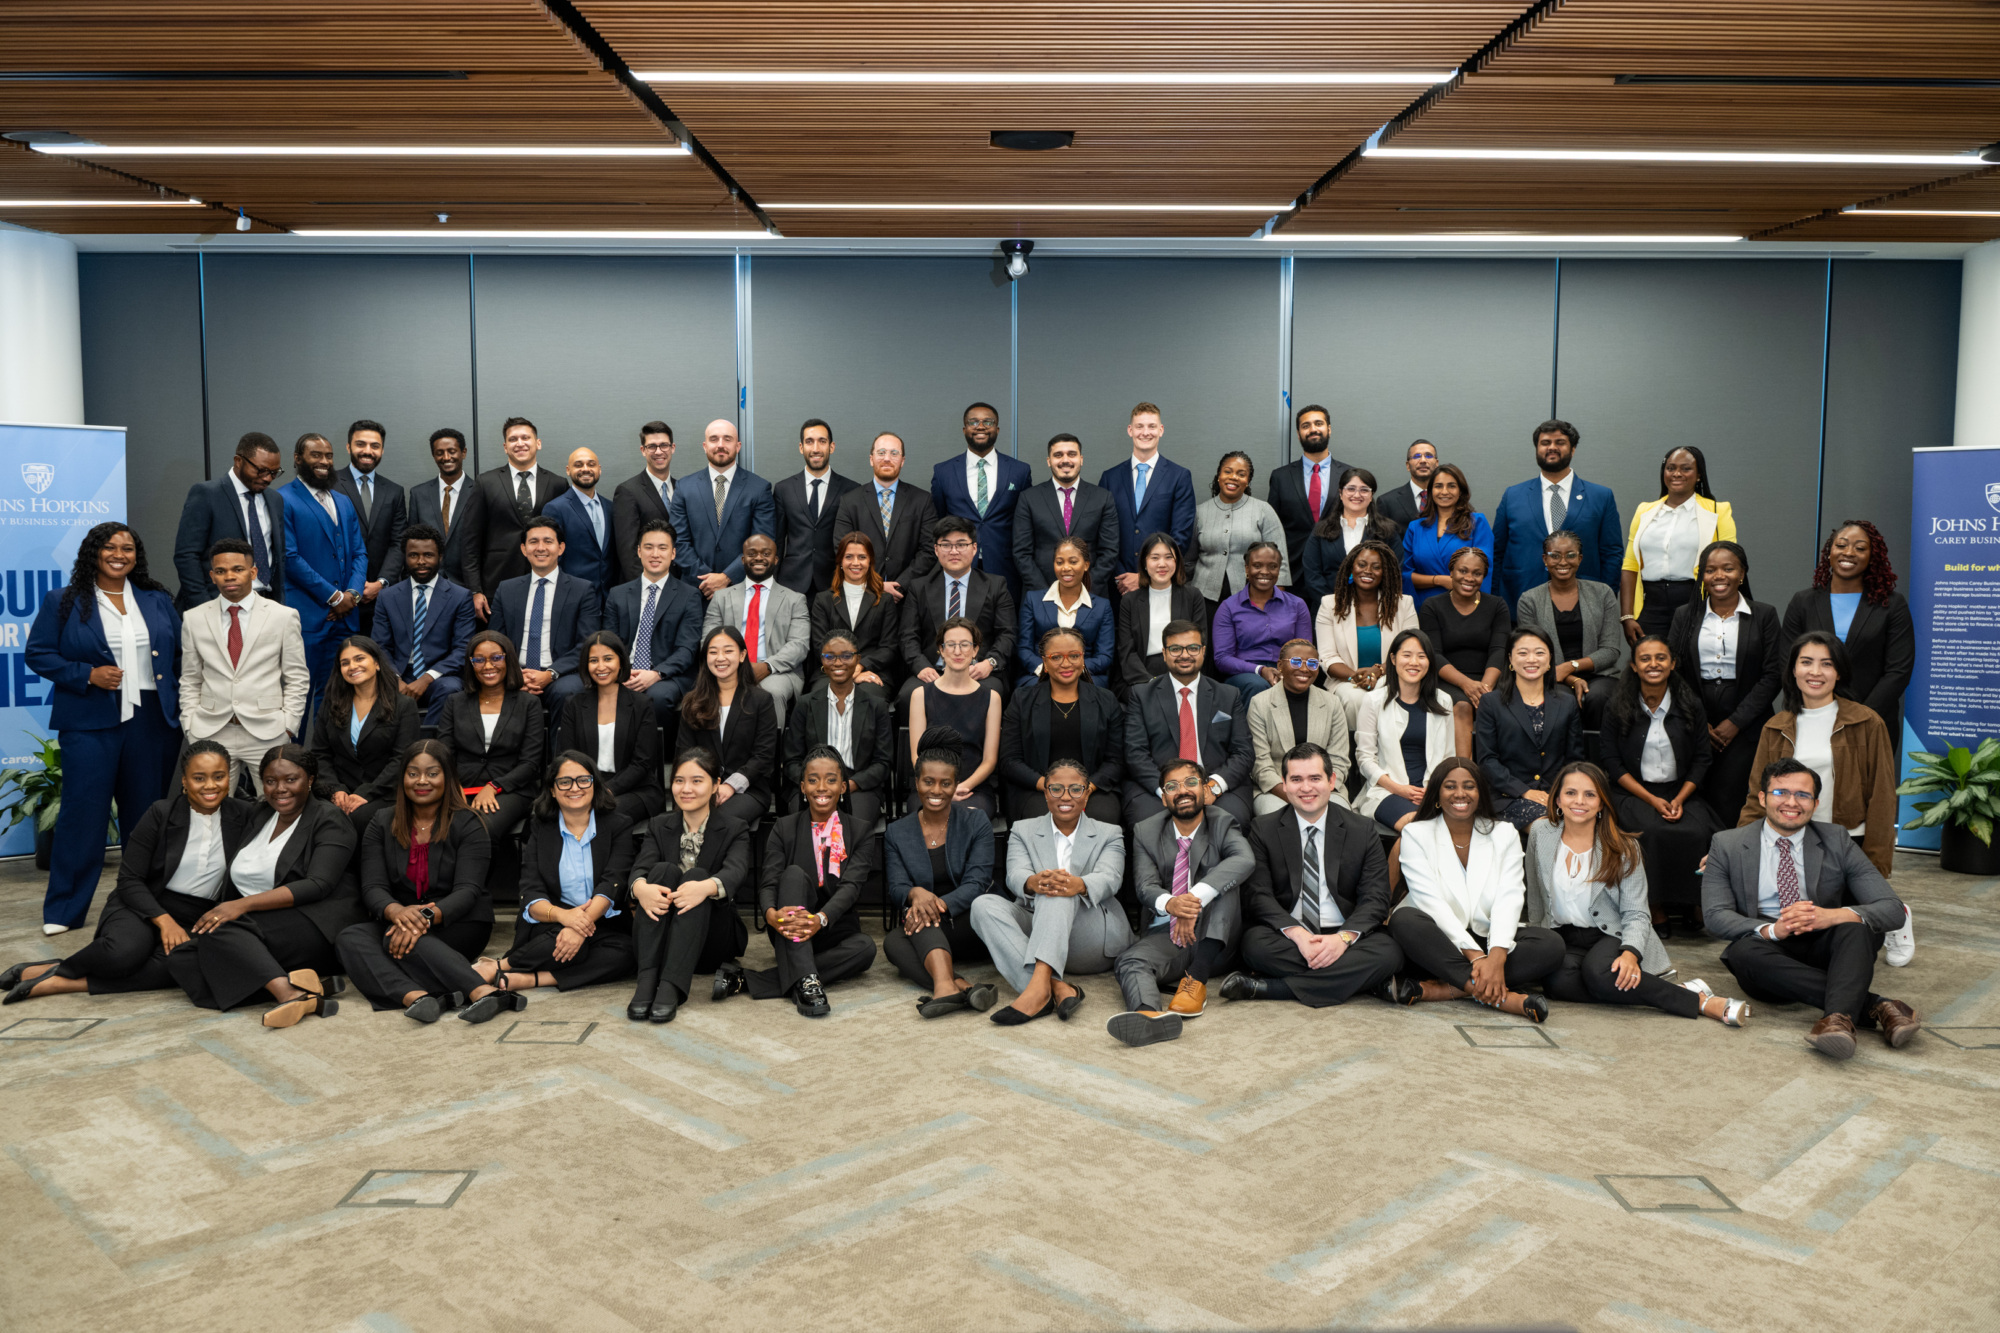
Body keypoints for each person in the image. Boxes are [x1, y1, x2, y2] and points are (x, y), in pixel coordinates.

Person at [1, 743, 254, 1004]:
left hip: (198, 915)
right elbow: (129, 879)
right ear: (184, 781)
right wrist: (165, 921)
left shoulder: (245, 815)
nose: (210, 786)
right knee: (122, 954)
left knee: (182, 966)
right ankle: (59, 969)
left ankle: (59, 981)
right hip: (143, 903)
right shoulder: (161, 813)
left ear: (229, 777)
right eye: (199, 778)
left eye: (219, 776)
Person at [1702, 758, 1918, 1060]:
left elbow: (1892, 909)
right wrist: (1773, 929)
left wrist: (1832, 915)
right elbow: (1715, 916)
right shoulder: (1727, 844)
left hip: (1827, 944)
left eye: (1802, 795)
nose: (1792, 802)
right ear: (1763, 797)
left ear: (1815, 803)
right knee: (1743, 953)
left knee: (1856, 928)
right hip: (1770, 948)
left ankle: (1836, 1022)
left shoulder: (1836, 839)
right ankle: (1879, 1007)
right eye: (1780, 793)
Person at [25, 522, 183, 934]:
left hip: (152, 721)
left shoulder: (156, 599)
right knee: (83, 816)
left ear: (137, 555)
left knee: (145, 818)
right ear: (93, 552)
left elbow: (180, 655)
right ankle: (64, 910)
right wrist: (85, 674)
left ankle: (142, 906)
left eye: (128, 548)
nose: (119, 554)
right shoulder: (64, 601)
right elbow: (38, 653)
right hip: (89, 720)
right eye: (110, 547)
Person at [1526, 762, 1747, 1024]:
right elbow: (1536, 896)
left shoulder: (1624, 847)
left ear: (1602, 803)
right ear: (1558, 800)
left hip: (1611, 933)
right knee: (1557, 985)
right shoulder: (1541, 833)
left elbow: (1637, 913)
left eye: (1590, 794)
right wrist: (1539, 939)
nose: (1579, 801)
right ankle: (1676, 988)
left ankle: (1699, 1001)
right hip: (1565, 935)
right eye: (1571, 793)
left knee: (1599, 974)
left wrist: (1630, 953)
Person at [166, 745, 360, 1027]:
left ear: (311, 780)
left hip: (314, 923)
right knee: (182, 959)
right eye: (271, 781)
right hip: (261, 925)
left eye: (290, 779)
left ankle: (289, 995)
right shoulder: (261, 815)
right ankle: (307, 988)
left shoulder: (329, 819)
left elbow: (319, 884)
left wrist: (241, 905)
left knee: (222, 930)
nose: (279, 789)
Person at [337, 741, 517, 1024]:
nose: (422, 781)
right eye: (413, 773)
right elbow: (373, 887)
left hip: (459, 923)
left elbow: (467, 892)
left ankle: (482, 991)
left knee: (400, 942)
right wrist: (397, 913)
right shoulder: (381, 822)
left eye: (432, 773)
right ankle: (419, 997)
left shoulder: (469, 823)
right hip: (401, 918)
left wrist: (423, 918)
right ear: (403, 778)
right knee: (351, 938)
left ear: (448, 777)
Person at [1216, 743, 1405, 1009]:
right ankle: (1362, 980)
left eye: (1315, 778)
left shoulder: (1361, 829)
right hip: (1289, 936)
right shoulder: (1263, 829)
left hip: (1344, 933)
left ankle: (1272, 988)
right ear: (1284, 783)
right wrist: (1298, 935)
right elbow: (1258, 895)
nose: (1306, 788)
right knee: (1253, 946)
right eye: (1296, 779)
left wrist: (1342, 940)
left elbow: (1376, 898)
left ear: (1332, 781)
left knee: (1389, 952)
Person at [1385, 759, 1562, 1019]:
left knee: (1551, 944)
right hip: (1436, 943)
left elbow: (1509, 896)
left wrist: (1497, 956)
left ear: (1480, 793)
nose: (1460, 793)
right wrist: (1478, 959)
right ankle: (1505, 998)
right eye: (1450, 786)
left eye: (1469, 786)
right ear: (1437, 794)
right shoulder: (1416, 834)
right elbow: (1429, 901)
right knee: (1404, 920)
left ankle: (1447, 990)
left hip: (1486, 938)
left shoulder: (1505, 834)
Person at [718, 748, 879, 1017]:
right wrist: (771, 915)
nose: (822, 787)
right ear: (802, 787)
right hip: (788, 925)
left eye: (830, 780)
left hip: (833, 926)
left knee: (866, 949)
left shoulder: (861, 831)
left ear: (842, 787)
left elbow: (851, 887)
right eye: (813, 780)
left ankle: (747, 980)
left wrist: (821, 919)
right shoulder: (784, 827)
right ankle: (808, 982)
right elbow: (769, 883)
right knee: (792, 874)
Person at [972, 757, 1133, 1024]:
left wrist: (1077, 884)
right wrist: (1033, 882)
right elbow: (1015, 875)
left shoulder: (1109, 833)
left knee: (1058, 890)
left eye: (1075, 789)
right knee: (983, 905)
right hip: (1038, 925)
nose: (1065, 796)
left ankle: (1036, 991)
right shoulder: (1023, 830)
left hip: (1091, 935)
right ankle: (1053, 987)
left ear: (1086, 793)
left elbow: (1111, 878)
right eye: (1056, 788)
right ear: (1046, 793)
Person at [1108, 757, 1255, 1046]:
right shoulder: (1146, 831)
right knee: (1130, 960)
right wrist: (1172, 905)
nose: (1182, 791)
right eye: (1172, 786)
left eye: (1190, 782)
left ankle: (1196, 981)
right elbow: (1144, 886)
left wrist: (1193, 898)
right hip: (1171, 932)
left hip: (1218, 936)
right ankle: (1149, 1018)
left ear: (1204, 789)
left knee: (1224, 881)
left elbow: (1244, 859)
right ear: (1163, 798)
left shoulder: (1222, 822)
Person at [476, 751, 638, 999]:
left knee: (628, 952)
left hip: (600, 922)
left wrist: (578, 927)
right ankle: (508, 968)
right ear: (552, 789)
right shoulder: (540, 827)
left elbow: (613, 883)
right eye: (565, 782)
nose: (575, 788)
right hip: (549, 922)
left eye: (584, 780)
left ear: (595, 784)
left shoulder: (618, 824)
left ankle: (515, 972)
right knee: (572, 948)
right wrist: (565, 917)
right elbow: (531, 891)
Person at [1740, 632, 1900, 880]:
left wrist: (1876, 866)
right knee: (1792, 916)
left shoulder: (1867, 722)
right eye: (1806, 662)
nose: (1815, 671)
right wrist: (1738, 850)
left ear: (1839, 673)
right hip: (1787, 841)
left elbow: (1882, 798)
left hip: (1847, 843)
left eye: (1827, 664)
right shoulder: (1775, 727)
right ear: (1793, 670)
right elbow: (1756, 797)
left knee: (1843, 917)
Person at [1598, 635, 1722, 931]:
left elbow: (1702, 759)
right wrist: (1653, 800)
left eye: (1661, 657)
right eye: (1645, 659)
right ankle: (1655, 909)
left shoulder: (1690, 705)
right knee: (1651, 831)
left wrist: (1679, 799)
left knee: (1697, 831)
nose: (1653, 664)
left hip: (1681, 790)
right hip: (1633, 792)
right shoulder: (1617, 705)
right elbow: (1612, 764)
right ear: (1633, 666)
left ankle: (1697, 904)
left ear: (1672, 664)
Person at [625, 749, 752, 1023]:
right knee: (662, 871)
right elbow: (640, 868)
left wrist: (704, 888)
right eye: (679, 781)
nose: (686, 789)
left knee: (696, 877)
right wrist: (640, 888)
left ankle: (671, 986)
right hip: (664, 936)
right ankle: (647, 982)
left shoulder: (734, 827)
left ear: (716, 784)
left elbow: (736, 871)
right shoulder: (659, 826)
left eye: (697, 781)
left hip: (711, 941)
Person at [177, 538, 310, 796]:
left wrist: (288, 724)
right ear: (212, 576)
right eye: (221, 571)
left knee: (277, 808)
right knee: (207, 811)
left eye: (237, 569)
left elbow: (297, 676)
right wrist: (190, 724)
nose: (229, 576)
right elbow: (191, 678)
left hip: (268, 730)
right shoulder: (194, 618)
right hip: (211, 730)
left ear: (253, 572)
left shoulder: (283, 616)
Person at [1666, 540, 1783, 830]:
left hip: (1747, 720)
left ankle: (1729, 860)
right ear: (1702, 576)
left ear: (1742, 574)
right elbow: (1674, 672)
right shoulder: (1684, 615)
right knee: (1695, 791)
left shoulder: (1764, 615)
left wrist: (1735, 723)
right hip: (1694, 715)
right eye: (1710, 570)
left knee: (1732, 795)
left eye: (1728, 569)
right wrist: (1699, 718)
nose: (1719, 576)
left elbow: (1773, 675)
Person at [883, 729, 998, 1018]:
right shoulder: (897, 832)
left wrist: (936, 904)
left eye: (946, 783)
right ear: (916, 783)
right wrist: (915, 893)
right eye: (928, 782)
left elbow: (978, 882)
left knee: (920, 918)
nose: (936, 791)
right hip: (935, 932)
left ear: (956, 785)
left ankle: (946, 985)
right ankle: (956, 986)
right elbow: (896, 887)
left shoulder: (976, 821)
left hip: (973, 923)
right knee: (893, 942)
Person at [1781, 519, 1916, 744]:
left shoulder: (1891, 604)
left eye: (1860, 548)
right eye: (1841, 545)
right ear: (1829, 551)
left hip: (1871, 723)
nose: (1849, 552)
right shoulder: (1803, 601)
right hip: (1811, 719)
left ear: (1873, 556)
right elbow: (1787, 661)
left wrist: (1859, 716)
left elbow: (1898, 670)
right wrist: (1817, 710)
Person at [437, 630, 546, 899]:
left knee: (479, 826)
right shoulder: (455, 702)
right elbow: (444, 754)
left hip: (512, 788)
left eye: (496, 658)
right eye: (479, 660)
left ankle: (472, 896)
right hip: (462, 786)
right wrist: (453, 788)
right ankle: (442, 894)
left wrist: (494, 786)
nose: (488, 666)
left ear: (508, 660)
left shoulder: (528, 704)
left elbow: (531, 762)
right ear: (470, 664)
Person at [1121, 620, 1254, 827]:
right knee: (1149, 823)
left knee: (1230, 820)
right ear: (1164, 654)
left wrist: (1214, 787)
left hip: (1214, 782)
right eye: (1175, 649)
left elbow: (1243, 751)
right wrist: (1167, 789)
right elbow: (1135, 753)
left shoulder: (1228, 695)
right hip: (1159, 784)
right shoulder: (1141, 695)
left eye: (1192, 648)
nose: (1184, 655)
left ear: (1203, 651)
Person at [278, 431, 370, 707]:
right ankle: (293, 753)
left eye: (328, 456)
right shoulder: (283, 499)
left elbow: (360, 553)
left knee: (337, 699)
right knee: (300, 696)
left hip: (346, 620)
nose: (324, 461)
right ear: (298, 459)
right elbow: (289, 557)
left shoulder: (342, 500)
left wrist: (351, 594)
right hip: (308, 617)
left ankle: (327, 752)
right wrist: (334, 597)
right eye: (315, 455)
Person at [997, 627, 1124, 825]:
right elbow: (1009, 760)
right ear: (1045, 662)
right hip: (1037, 790)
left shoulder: (1106, 701)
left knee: (1102, 818)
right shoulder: (1022, 700)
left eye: (1074, 656)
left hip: (1093, 789)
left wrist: (1085, 788)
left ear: (1083, 659)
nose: (1066, 663)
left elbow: (1115, 760)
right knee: (1041, 821)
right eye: (1056, 657)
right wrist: (1048, 786)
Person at [1491, 418, 1623, 606]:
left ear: (1573, 449)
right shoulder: (1513, 495)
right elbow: (1497, 552)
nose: (1552, 447)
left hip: (1583, 602)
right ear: (1537, 448)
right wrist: (1496, 601)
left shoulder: (1601, 496)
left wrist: (1605, 600)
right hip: (1521, 597)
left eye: (1560, 442)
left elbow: (1612, 553)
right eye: (1545, 443)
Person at [489, 514, 603, 720]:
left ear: (561, 548)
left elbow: (587, 644)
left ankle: (560, 752)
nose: (540, 548)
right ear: (524, 549)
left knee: (567, 692)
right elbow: (495, 641)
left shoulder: (582, 590)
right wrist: (514, 676)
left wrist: (550, 674)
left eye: (548, 541)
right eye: (533, 542)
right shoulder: (507, 589)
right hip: (515, 672)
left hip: (562, 674)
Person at [308, 635, 421, 837]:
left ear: (376, 663)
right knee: (321, 815)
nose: (352, 666)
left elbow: (402, 759)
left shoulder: (404, 706)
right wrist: (336, 791)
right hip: (339, 792)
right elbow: (320, 753)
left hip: (384, 792)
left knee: (357, 818)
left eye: (359, 659)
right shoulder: (330, 704)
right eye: (345, 663)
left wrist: (365, 793)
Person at [1475, 627, 1585, 832]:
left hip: (1557, 795)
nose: (1531, 659)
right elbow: (1487, 760)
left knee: (1590, 822)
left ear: (1550, 659)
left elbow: (1574, 759)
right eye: (1523, 653)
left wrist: (1562, 793)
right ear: (1510, 659)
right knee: (1549, 828)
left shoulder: (1567, 703)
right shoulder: (1490, 703)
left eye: (1539, 652)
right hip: (1507, 797)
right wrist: (1525, 791)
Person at [899, 516, 1017, 706]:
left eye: (961, 544)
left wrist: (990, 663)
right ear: (936, 550)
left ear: (974, 548)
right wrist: (921, 667)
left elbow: (1008, 633)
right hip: (933, 671)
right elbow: (908, 635)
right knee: (907, 697)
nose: (954, 551)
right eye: (946, 545)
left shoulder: (996, 586)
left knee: (990, 695)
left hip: (978, 672)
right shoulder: (919, 588)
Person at [1619, 446, 1733, 641]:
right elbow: (1630, 566)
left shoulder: (1717, 511)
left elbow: (1730, 565)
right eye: (1671, 468)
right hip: (1650, 606)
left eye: (1686, 468)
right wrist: (1627, 616)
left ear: (1698, 475)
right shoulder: (1644, 511)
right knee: (1651, 666)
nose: (1677, 474)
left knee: (1691, 666)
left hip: (1695, 602)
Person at [786, 631, 897, 832]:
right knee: (807, 828)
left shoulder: (876, 706)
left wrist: (850, 784)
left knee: (849, 830)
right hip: (813, 784)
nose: (838, 663)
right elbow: (792, 761)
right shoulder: (805, 705)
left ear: (857, 659)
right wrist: (815, 783)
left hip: (859, 786)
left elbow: (883, 762)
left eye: (846, 656)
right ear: (822, 660)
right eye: (830, 656)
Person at [1515, 529, 1626, 728]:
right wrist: (1571, 679)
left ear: (1580, 558)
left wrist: (1569, 667)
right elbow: (1531, 653)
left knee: (1598, 697)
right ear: (1545, 559)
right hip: (1551, 677)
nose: (1563, 562)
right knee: (1560, 701)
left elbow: (1611, 651)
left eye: (1570, 555)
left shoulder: (1603, 593)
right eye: (1555, 556)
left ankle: (1597, 757)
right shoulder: (1529, 600)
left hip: (1601, 675)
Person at [603, 519, 703, 735]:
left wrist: (657, 673)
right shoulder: (618, 594)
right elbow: (609, 643)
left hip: (669, 675)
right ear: (639, 551)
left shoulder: (689, 596)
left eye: (662, 548)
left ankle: (656, 759)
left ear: (673, 553)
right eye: (648, 547)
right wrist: (622, 672)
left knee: (657, 696)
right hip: (624, 670)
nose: (655, 554)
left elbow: (687, 649)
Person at [552, 631, 665, 822]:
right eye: (593, 660)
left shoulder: (641, 704)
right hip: (584, 787)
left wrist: (604, 790)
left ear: (620, 661)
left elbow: (642, 764)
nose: (601, 666)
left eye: (608, 659)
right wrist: (586, 789)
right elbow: (568, 758)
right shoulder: (574, 704)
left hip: (634, 789)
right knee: (545, 815)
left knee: (601, 815)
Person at [373, 524, 477, 727]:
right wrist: (395, 679)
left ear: (440, 557)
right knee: (376, 689)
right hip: (399, 673)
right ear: (405, 557)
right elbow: (380, 646)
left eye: (428, 555)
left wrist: (427, 678)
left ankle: (427, 748)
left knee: (450, 689)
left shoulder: (460, 596)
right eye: (413, 555)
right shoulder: (387, 597)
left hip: (441, 675)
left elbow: (463, 648)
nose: (421, 561)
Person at [702, 532, 810, 726]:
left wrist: (767, 666)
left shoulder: (795, 600)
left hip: (777, 671)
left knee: (771, 693)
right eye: (752, 553)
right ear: (743, 560)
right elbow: (708, 640)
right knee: (709, 691)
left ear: (776, 559)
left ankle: (770, 755)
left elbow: (799, 645)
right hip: (727, 667)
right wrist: (731, 664)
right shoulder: (721, 597)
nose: (759, 557)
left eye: (766, 553)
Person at [1355, 629, 1457, 833]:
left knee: (1456, 826)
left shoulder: (1443, 700)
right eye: (1407, 655)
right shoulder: (1373, 701)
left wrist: (1434, 790)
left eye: (1422, 656)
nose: (1414, 662)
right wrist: (1398, 789)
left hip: (1433, 791)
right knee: (1418, 828)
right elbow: (1365, 758)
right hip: (1387, 791)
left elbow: (1449, 757)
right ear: (1393, 659)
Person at [675, 626, 780, 824]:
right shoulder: (692, 701)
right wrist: (706, 787)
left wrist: (731, 785)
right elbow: (685, 753)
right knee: (683, 819)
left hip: (749, 790)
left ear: (742, 655)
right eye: (713, 652)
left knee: (716, 820)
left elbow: (764, 756)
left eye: (728, 651)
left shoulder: (761, 700)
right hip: (700, 788)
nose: (720, 658)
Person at [668, 417, 779, 600]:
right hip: (695, 591)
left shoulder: (759, 488)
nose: (720, 444)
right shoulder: (684, 487)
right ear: (704, 446)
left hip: (743, 590)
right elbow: (678, 541)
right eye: (714, 439)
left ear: (738, 446)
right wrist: (708, 580)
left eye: (727, 439)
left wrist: (727, 577)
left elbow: (763, 542)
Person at [172, 431, 286, 608]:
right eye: (261, 470)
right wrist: (204, 605)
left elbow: (278, 556)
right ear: (238, 461)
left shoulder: (274, 500)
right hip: (217, 603)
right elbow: (186, 555)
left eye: (274, 472)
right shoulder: (207, 494)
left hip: (264, 604)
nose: (268, 478)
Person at [463, 416, 566, 613]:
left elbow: (564, 537)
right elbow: (470, 541)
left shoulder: (557, 483)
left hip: (547, 582)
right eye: (513, 439)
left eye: (525, 438)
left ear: (538, 443)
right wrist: (475, 589)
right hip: (496, 583)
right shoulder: (486, 482)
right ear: (505, 447)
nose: (519, 443)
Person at [1315, 540, 1418, 733]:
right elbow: (1328, 657)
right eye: (1362, 565)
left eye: (1376, 567)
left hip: (1391, 677)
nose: (1367, 571)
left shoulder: (1403, 605)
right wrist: (1356, 676)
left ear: (1385, 572)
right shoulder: (1330, 605)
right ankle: (1358, 754)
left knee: (1382, 694)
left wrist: (1376, 672)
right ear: (1351, 568)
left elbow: (1410, 652)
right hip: (1346, 681)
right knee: (1355, 699)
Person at [930, 401, 1032, 596]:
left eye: (988, 422)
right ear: (964, 429)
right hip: (957, 566)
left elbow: (1025, 522)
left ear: (998, 429)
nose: (981, 427)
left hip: (1006, 567)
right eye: (973, 422)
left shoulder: (1019, 471)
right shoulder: (944, 471)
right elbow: (938, 520)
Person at [906, 619, 1002, 817]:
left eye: (965, 644)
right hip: (930, 784)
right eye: (951, 645)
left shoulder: (992, 697)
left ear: (975, 650)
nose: (958, 652)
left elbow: (989, 760)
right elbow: (917, 756)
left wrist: (963, 786)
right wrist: (940, 786)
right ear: (941, 649)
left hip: (972, 788)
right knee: (930, 815)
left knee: (969, 819)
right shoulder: (919, 695)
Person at [1417, 546, 1508, 756]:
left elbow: (1499, 649)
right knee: (1463, 705)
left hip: (1489, 678)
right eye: (1463, 571)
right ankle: (1464, 773)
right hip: (1446, 679)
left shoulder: (1496, 605)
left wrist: (1484, 688)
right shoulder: (1432, 606)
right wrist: (1466, 684)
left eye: (1477, 573)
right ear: (1451, 572)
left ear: (1484, 576)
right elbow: (1434, 655)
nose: (1469, 578)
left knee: (1499, 703)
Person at [1246, 638, 1350, 816]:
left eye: (1312, 663)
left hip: (1324, 790)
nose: (1304, 669)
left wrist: (1316, 792)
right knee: (1279, 821)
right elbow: (1260, 765)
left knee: (1340, 819)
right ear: (1280, 665)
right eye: (1295, 662)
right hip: (1277, 789)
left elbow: (1339, 760)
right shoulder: (1260, 704)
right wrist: (1294, 795)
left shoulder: (1332, 703)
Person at [1101, 402, 1197, 593]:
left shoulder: (1179, 476)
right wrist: (1122, 577)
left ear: (1161, 430)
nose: (1146, 432)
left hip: (1162, 584)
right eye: (1139, 426)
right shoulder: (1109, 478)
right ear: (1130, 430)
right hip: (1118, 585)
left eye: (1152, 426)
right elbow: (1104, 535)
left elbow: (1181, 535)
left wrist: (1145, 577)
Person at [831, 431, 936, 600]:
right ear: (871, 459)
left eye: (894, 453)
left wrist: (901, 584)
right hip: (862, 594)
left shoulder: (922, 500)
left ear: (902, 461)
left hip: (908, 597)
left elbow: (929, 550)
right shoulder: (850, 501)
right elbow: (842, 549)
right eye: (881, 453)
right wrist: (875, 585)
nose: (887, 458)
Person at [1013, 432, 1119, 598]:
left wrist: (1085, 590)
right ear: (1049, 461)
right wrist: (1048, 593)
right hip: (1042, 595)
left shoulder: (1102, 497)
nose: (1065, 460)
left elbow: (1109, 551)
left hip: (1091, 596)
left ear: (1081, 459)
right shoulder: (1029, 498)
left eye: (1072, 454)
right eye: (1058, 455)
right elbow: (1022, 553)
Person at [329, 418, 407, 639]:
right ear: (348, 447)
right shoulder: (329, 485)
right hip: (340, 597)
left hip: (382, 597)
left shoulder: (394, 491)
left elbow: (398, 542)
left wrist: (381, 583)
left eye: (375, 446)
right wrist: (350, 589)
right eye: (360, 444)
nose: (367, 451)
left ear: (382, 449)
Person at [1268, 404, 1355, 599]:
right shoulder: (1281, 477)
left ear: (1329, 429)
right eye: (1305, 425)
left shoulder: (1349, 476)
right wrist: (1279, 576)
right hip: (1293, 575)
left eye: (1319, 423)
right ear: (1298, 434)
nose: (1313, 429)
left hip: (1339, 572)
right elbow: (1272, 530)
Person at [1212, 542, 1312, 702]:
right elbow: (1222, 658)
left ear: (1279, 570)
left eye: (1272, 566)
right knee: (1258, 685)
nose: (1265, 572)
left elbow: (1304, 652)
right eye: (1257, 565)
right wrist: (1260, 670)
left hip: (1288, 670)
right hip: (1246, 675)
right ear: (1246, 569)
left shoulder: (1297, 605)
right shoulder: (1229, 607)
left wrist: (1285, 672)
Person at [1193, 451, 1291, 611]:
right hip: (1204, 598)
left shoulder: (1263, 510)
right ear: (1219, 475)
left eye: (1241, 474)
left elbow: (1281, 560)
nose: (1233, 477)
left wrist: (1276, 598)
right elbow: (1189, 559)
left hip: (1252, 597)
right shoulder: (1200, 512)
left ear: (1247, 481)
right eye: (1228, 471)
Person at [772, 417, 859, 596]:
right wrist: (773, 583)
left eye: (822, 441)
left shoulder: (851, 490)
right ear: (801, 447)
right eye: (809, 442)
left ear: (831, 447)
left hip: (834, 584)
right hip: (790, 584)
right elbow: (778, 542)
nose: (816, 449)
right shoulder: (783, 489)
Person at [1114, 531, 1207, 694]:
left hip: (1184, 672)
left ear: (1177, 561)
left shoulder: (1193, 596)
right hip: (1140, 676)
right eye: (1155, 558)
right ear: (1144, 562)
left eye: (1168, 557)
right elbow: (1126, 651)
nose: (1162, 564)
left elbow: (1199, 644)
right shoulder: (1129, 601)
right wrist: (1151, 682)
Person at [1300, 467, 1402, 613]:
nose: (1357, 495)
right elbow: (1312, 574)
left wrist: (1372, 604)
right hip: (1329, 609)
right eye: (1351, 489)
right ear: (1341, 493)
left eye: (1364, 490)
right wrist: (1334, 604)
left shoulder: (1387, 531)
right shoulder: (1321, 531)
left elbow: (1395, 572)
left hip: (1375, 611)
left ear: (1371, 494)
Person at [1018, 536, 1114, 687]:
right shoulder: (1033, 600)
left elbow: (1104, 656)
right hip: (1042, 674)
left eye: (1073, 562)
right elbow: (1024, 648)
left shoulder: (1102, 606)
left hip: (1085, 675)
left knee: (1089, 690)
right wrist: (1046, 669)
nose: (1066, 568)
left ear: (1086, 565)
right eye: (1059, 562)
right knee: (1035, 689)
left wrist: (1075, 669)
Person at [809, 530, 900, 688]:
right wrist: (847, 670)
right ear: (840, 562)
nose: (856, 563)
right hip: (830, 670)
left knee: (868, 696)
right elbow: (820, 645)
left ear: (870, 561)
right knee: (823, 694)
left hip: (872, 670)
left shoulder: (885, 601)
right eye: (849, 557)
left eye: (862, 557)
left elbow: (889, 647)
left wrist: (860, 666)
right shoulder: (823, 600)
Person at [1402, 463, 1493, 609]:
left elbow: (1485, 572)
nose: (1444, 491)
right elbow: (1405, 575)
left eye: (1451, 486)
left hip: (1465, 606)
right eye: (1438, 486)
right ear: (1430, 491)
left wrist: (1477, 606)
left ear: (1460, 491)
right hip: (1424, 608)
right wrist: (1438, 580)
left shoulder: (1477, 522)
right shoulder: (1415, 528)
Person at [609, 420, 681, 586]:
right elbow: (628, 551)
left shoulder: (683, 489)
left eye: (664, 445)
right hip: (645, 586)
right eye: (652, 446)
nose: (658, 451)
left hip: (680, 585)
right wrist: (647, 589)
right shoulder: (627, 491)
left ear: (673, 448)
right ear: (643, 450)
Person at [405, 427, 478, 589]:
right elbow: (411, 543)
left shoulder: (480, 491)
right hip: (427, 584)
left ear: (463, 453)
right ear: (433, 455)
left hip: (467, 585)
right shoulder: (418, 494)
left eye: (452, 451)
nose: (446, 457)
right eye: (439, 453)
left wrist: (477, 590)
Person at [544, 446, 616, 596]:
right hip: (573, 596)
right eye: (578, 465)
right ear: (568, 470)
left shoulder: (611, 507)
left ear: (599, 469)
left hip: (609, 598)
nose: (585, 469)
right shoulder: (555, 508)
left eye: (591, 464)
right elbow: (551, 558)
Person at [1375, 438, 1438, 531]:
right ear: (1408, 465)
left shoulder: (1449, 498)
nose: (1423, 460)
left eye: (1428, 456)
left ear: (1437, 464)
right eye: (1417, 456)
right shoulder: (1387, 502)